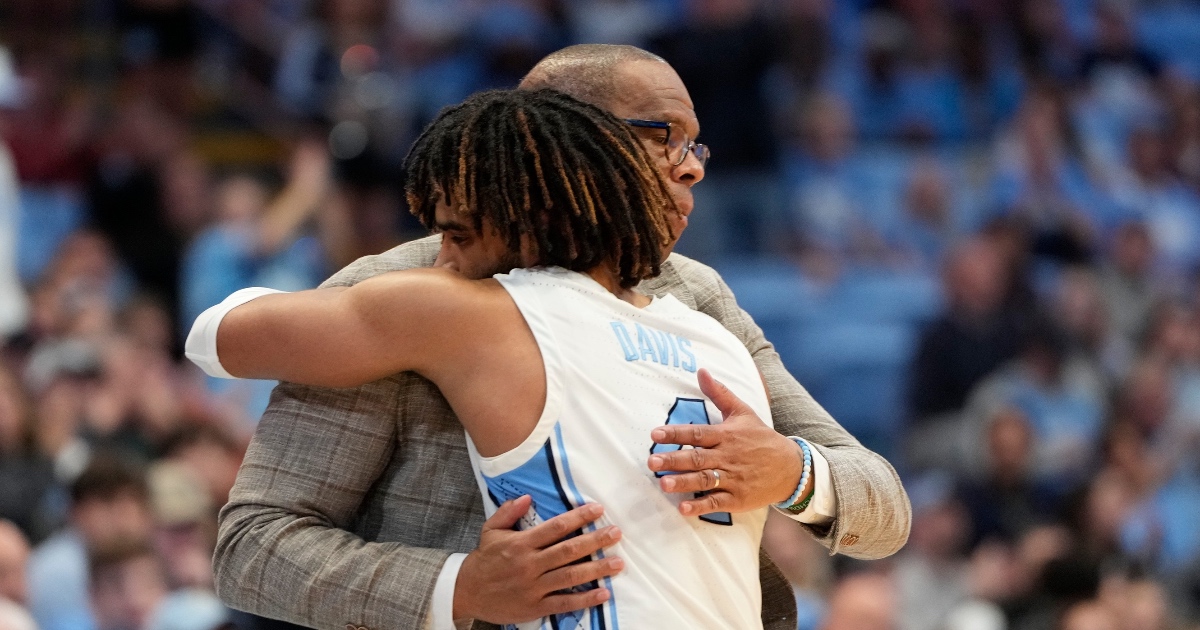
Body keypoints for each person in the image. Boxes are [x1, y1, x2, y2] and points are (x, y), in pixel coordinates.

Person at [212, 44, 910, 630]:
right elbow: (252, 545)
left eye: (694, 142)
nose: (693, 165)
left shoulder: (696, 299)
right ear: (556, 145)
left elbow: (883, 505)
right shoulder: (408, 291)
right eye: (662, 135)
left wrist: (794, 473)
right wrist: (459, 588)